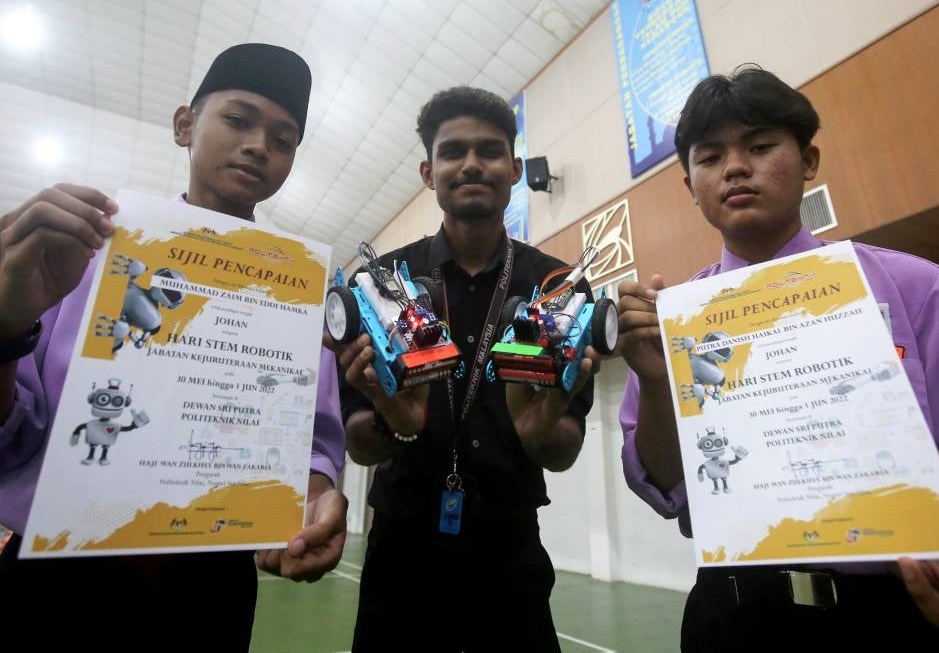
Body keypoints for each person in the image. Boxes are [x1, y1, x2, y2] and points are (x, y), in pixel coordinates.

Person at [617, 66, 939, 650]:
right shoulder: (673, 322)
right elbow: (665, 485)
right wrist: (658, 382)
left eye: (761, 145)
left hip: (908, 605)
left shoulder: (916, 288)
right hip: (738, 611)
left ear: (809, 161)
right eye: (710, 157)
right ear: (691, 185)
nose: (735, 168)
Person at [0, 43, 348, 649]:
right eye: (238, 120)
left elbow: (311, 440)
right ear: (185, 124)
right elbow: (13, 430)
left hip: (208, 583)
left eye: (284, 139)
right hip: (56, 576)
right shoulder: (83, 256)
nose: (259, 146)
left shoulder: (296, 292)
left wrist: (315, 493)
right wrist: (4, 327)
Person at [335, 86, 599, 652]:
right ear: (429, 173)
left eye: (490, 150)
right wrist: (391, 415)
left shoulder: (561, 290)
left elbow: (564, 449)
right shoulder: (379, 283)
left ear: (514, 168)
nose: (472, 164)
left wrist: (542, 424)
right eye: (454, 151)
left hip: (511, 548)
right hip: (400, 552)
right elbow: (361, 445)